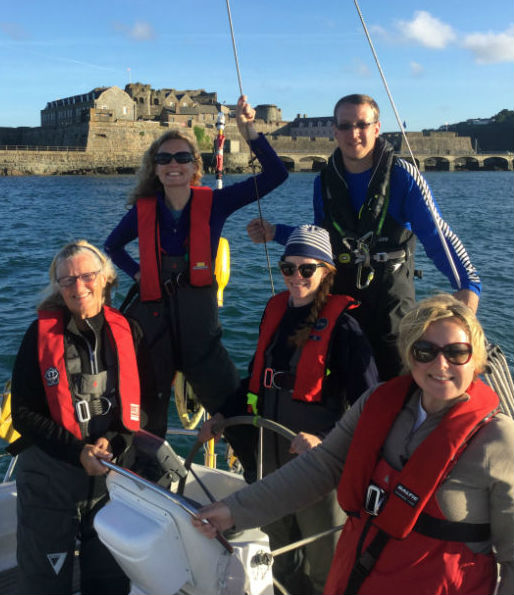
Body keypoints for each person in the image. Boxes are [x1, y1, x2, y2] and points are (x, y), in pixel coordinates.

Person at [193, 294, 514, 595]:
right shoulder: (378, 404)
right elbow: (321, 466)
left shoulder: (497, 439)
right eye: (425, 351)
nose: (441, 365)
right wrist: (234, 510)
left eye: (457, 353)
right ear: (409, 355)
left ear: (476, 360)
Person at [247, 94, 481, 380]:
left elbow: (437, 236)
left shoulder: (402, 176)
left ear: (377, 128)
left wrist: (467, 284)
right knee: (341, 381)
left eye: (361, 124)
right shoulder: (324, 182)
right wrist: (275, 233)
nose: (353, 133)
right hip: (341, 298)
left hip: (391, 301)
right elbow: (323, 240)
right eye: (345, 126)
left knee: (394, 383)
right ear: (334, 131)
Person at [198, 224, 378, 594]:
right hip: (271, 460)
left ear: (326, 271)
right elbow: (254, 382)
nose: (296, 276)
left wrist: (325, 440)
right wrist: (220, 416)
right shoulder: (275, 313)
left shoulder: (345, 328)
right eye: (288, 268)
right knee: (280, 551)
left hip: (318, 466)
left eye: (307, 269)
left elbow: (370, 405)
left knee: (322, 559)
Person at [104, 95, 288, 436]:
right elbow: (112, 246)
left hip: (199, 325)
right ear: (155, 168)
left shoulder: (217, 203)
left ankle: (256, 476)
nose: (173, 164)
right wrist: (137, 272)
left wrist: (249, 131)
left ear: (194, 166)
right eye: (164, 158)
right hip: (152, 323)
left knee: (232, 406)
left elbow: (276, 174)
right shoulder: (143, 211)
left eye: (182, 157)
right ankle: (144, 478)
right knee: (144, 413)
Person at [11, 240, 152, 595]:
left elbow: (143, 402)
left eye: (87, 276)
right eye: (67, 280)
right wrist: (77, 451)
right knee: (44, 582)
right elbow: (23, 414)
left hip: (111, 478)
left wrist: (117, 440)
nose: (78, 287)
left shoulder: (129, 332)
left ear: (105, 278)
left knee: (109, 580)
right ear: (57, 286)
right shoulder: (38, 337)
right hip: (50, 478)